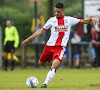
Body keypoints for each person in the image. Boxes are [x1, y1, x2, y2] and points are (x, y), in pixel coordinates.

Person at [21, 3, 99, 88]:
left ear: (63, 10)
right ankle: (50, 62)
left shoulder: (69, 20)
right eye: (55, 11)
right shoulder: (52, 20)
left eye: (58, 11)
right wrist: (28, 39)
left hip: (60, 48)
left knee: (55, 65)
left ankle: (45, 84)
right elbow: (40, 31)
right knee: (40, 63)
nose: (56, 13)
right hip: (49, 46)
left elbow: (83, 21)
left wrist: (91, 19)